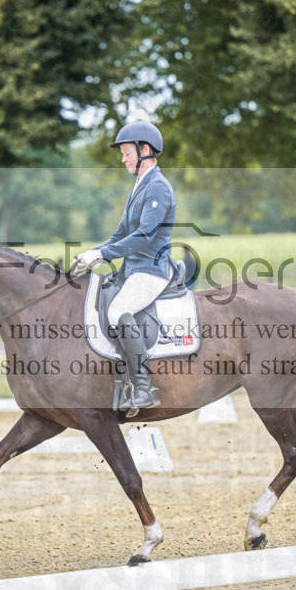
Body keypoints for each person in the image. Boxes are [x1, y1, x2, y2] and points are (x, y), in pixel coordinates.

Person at [70, 120, 176, 414]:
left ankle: (144, 387)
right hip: (132, 269)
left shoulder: (159, 188)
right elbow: (120, 235)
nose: (123, 158)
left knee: (118, 311)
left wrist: (105, 253)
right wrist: (94, 253)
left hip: (151, 270)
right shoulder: (139, 188)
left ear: (145, 150)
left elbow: (143, 237)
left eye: (127, 153)